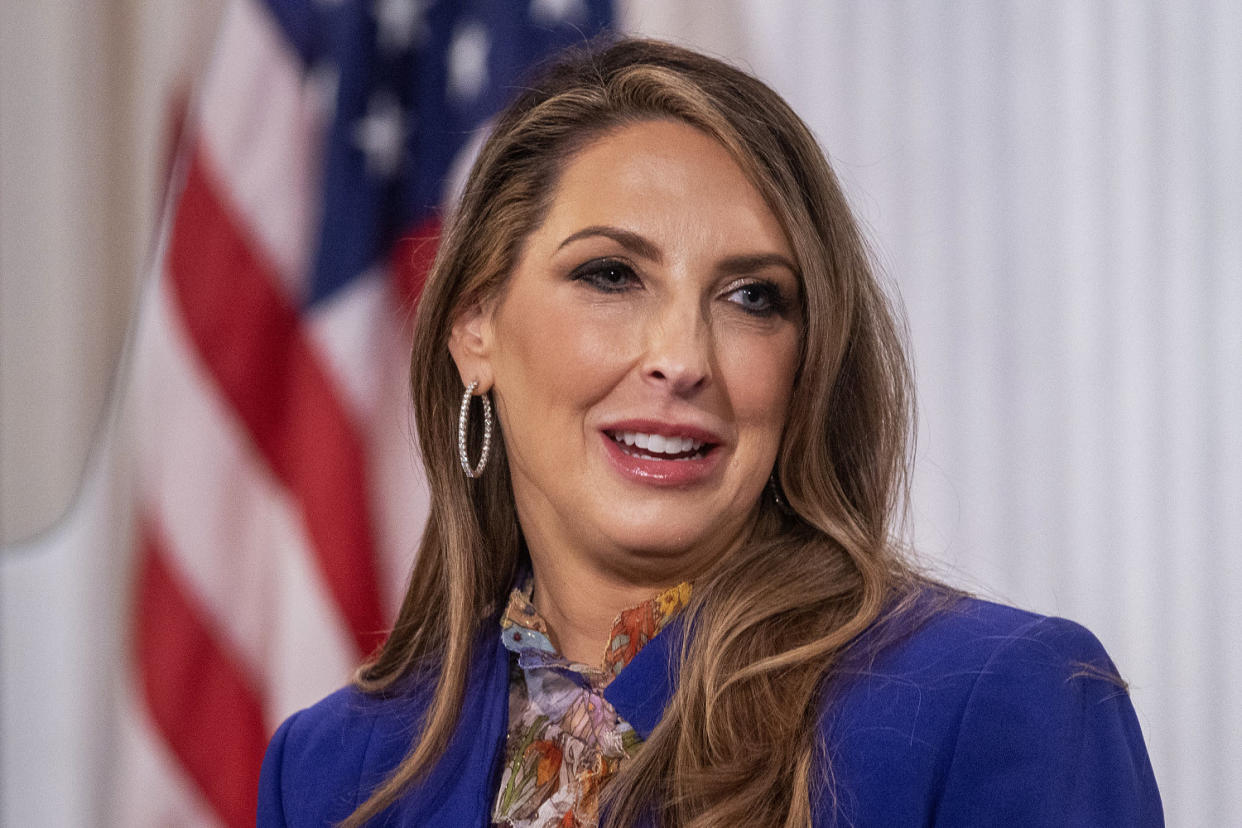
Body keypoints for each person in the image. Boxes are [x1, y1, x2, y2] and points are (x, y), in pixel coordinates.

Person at [258, 38, 1161, 827]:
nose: (682, 358)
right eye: (611, 275)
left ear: (808, 362)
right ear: (475, 328)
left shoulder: (1002, 700)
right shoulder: (331, 772)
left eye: (752, 297)